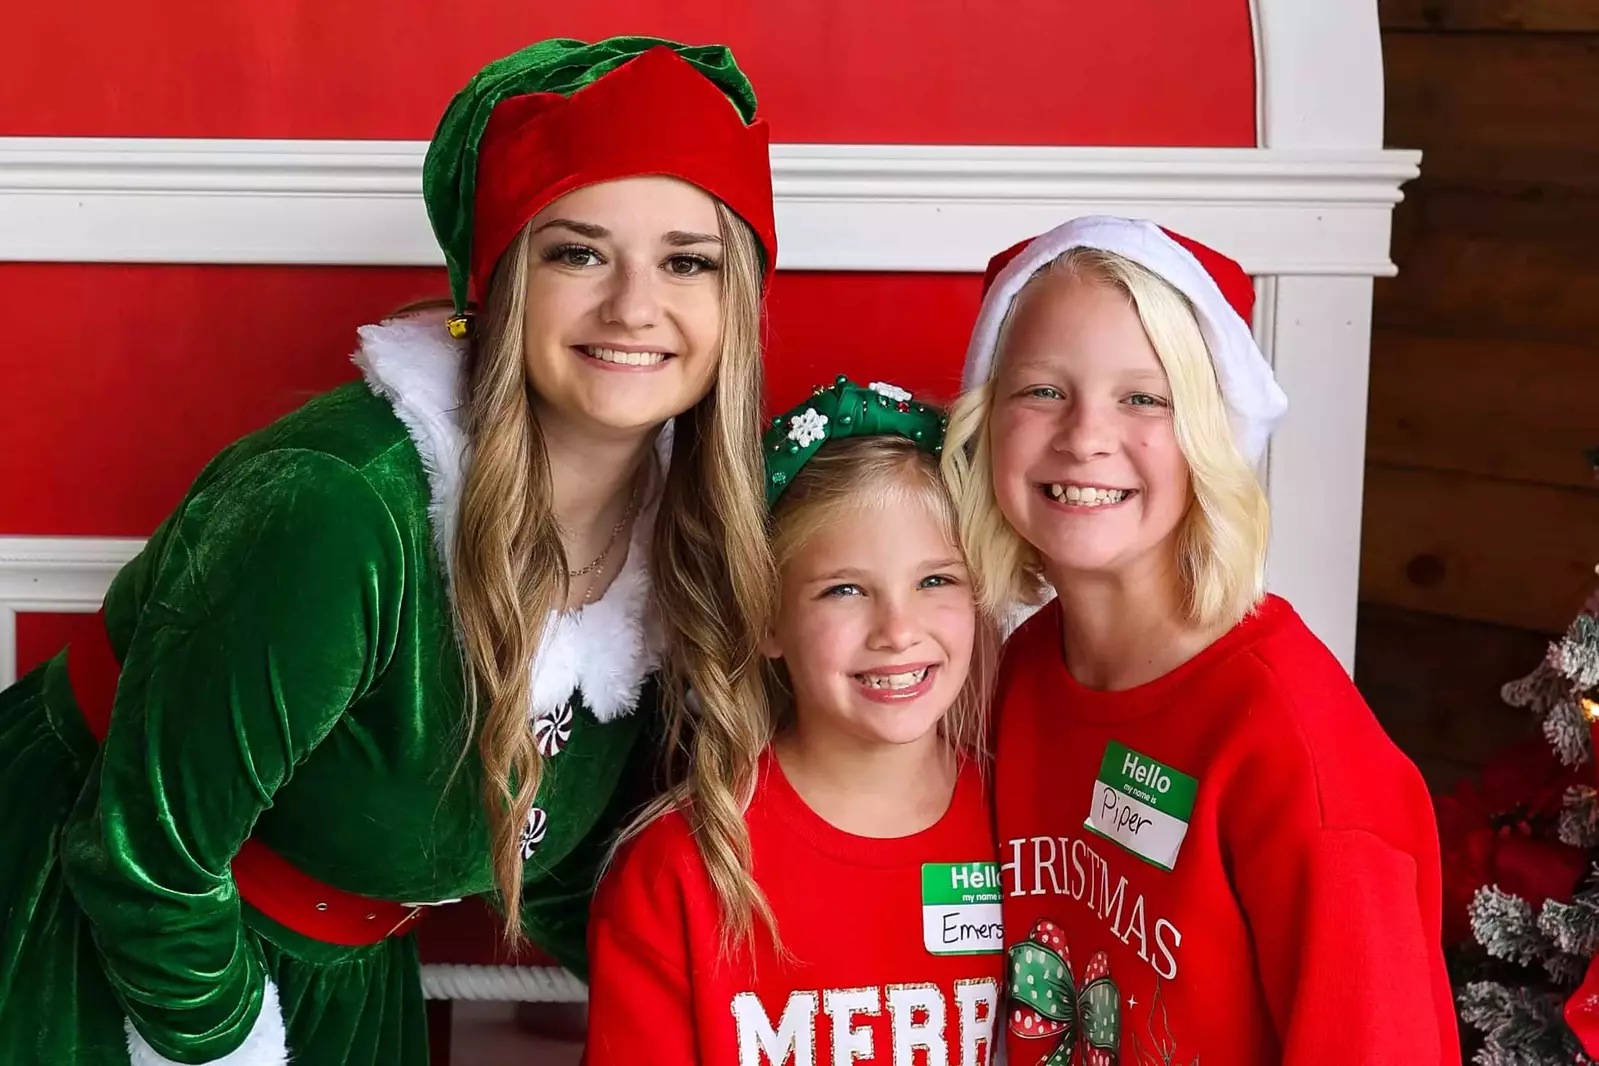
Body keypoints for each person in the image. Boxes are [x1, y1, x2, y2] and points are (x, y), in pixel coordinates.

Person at [0, 36, 777, 1066]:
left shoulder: (681, 531)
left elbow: (560, 867)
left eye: (688, 260)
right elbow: (144, 856)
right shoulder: (341, 510)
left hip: (344, 973)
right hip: (95, 938)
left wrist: (743, 1007)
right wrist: (226, 1045)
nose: (635, 305)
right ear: (495, 283)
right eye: (576, 252)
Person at [943, 216, 1460, 1064]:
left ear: (1210, 437)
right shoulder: (1015, 672)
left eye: (1144, 397)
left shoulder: (1291, 742)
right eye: (1041, 390)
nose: (1084, 436)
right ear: (985, 418)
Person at [585, 378, 1004, 1065]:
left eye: (936, 581)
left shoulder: (1026, 822)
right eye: (844, 589)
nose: (897, 631)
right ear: (768, 616)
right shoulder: (682, 867)